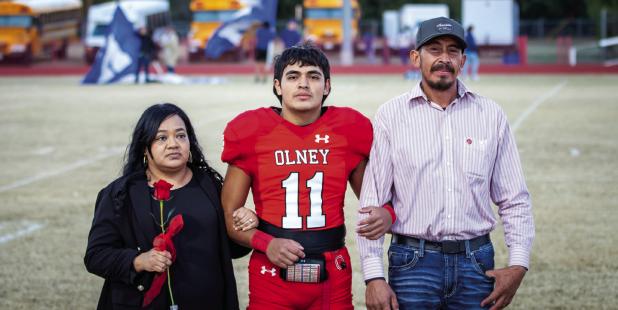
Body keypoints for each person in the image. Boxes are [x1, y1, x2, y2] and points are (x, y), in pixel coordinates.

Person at [358, 17, 534, 310]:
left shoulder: (490, 115)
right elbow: (373, 202)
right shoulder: (391, 116)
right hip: (412, 264)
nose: (444, 58)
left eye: (453, 51)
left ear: (463, 60)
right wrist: (374, 277)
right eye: (434, 49)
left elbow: (514, 199)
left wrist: (518, 264)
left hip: (476, 263)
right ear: (416, 57)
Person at [221, 43, 394, 309]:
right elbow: (230, 217)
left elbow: (376, 202)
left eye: (313, 76)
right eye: (293, 77)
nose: (304, 84)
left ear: (326, 86)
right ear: (278, 86)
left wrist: (388, 214)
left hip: (332, 270)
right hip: (271, 273)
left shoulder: (348, 129)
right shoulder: (252, 131)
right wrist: (267, 243)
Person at [84, 103, 256, 309]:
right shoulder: (120, 194)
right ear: (145, 148)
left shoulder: (209, 185)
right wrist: (139, 260)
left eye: (181, 136)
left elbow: (233, 249)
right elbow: (96, 256)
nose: (173, 144)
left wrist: (245, 222)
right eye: (162, 138)